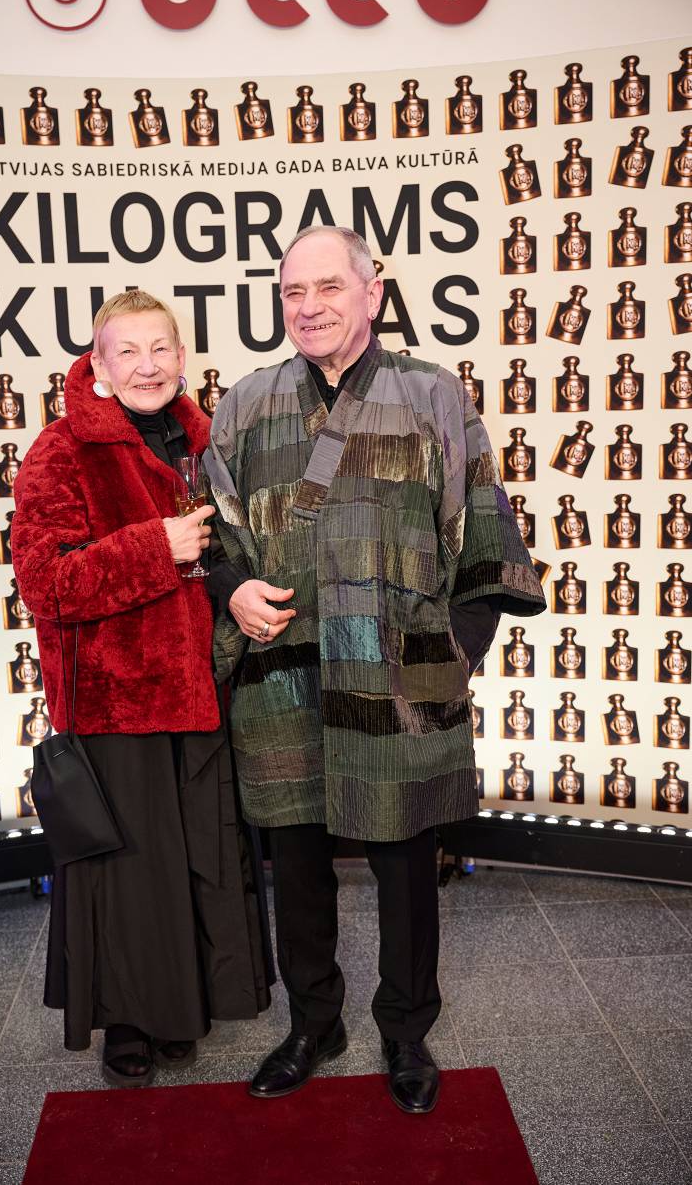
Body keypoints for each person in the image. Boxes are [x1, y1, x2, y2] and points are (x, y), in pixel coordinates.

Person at [204, 226, 547, 1114]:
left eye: (328, 287)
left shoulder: (433, 394)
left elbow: (483, 523)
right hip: (284, 675)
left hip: (402, 677)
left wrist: (456, 649)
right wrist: (234, 590)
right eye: (293, 292)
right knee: (297, 866)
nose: (309, 307)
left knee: (405, 862)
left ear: (372, 292)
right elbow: (214, 534)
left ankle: (405, 1028)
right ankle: (312, 1023)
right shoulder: (246, 405)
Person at [12, 290, 271, 1088]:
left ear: (182, 357)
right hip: (115, 703)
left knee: (193, 859)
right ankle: (128, 1021)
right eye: (127, 352)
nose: (147, 366)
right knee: (128, 874)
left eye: (160, 349)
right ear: (98, 364)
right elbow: (45, 584)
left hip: (203, 689)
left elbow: (226, 555)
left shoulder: (208, 440)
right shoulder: (61, 450)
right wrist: (154, 548)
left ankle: (179, 1010)